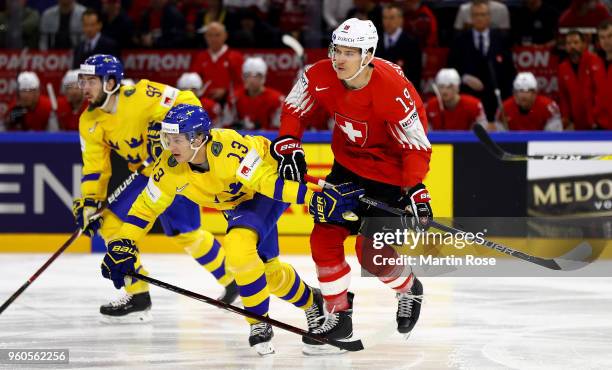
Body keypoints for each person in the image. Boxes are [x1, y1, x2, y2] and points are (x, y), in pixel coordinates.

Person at [100, 104, 363, 355]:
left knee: (238, 246)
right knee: (266, 271)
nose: (170, 146)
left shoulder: (228, 150)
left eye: (177, 139)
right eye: (167, 139)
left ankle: (258, 322)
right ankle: (313, 302)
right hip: (240, 203)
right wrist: (122, 243)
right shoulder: (169, 167)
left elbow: (267, 183)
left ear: (198, 139)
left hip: (267, 185)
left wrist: (310, 197)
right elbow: (146, 207)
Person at [275, 18, 430, 354]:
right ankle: (338, 314)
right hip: (346, 168)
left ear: (369, 54)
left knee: (370, 254)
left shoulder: (393, 90)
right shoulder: (321, 74)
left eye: (350, 52)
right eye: (337, 50)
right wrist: (288, 142)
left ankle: (408, 288)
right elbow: (294, 107)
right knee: (323, 238)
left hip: (389, 175)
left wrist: (414, 189)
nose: (339, 59)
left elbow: (415, 147)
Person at [74, 54, 238, 323]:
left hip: (174, 169)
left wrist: (163, 128)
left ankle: (233, 280)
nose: (85, 87)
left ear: (111, 82)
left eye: (92, 80)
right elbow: (94, 167)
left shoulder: (143, 93)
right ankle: (137, 294)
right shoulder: (88, 121)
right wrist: (90, 202)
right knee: (108, 222)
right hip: (143, 173)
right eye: (83, 81)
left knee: (186, 233)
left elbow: (189, 102)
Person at [448, 0, 516, 121]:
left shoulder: (501, 39)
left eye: (483, 14)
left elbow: (509, 71)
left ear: (489, 17)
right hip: (468, 97)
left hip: (495, 98)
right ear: (471, 18)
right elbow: (451, 66)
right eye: (476, 15)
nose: (479, 18)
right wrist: (464, 77)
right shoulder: (460, 40)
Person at [557, 29, 606, 129]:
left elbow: (600, 92)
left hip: (597, 121)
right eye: (569, 43)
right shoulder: (562, 68)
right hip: (578, 122)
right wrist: (566, 117)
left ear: (583, 44)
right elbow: (564, 96)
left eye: (576, 42)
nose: (572, 46)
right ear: (565, 47)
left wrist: (596, 118)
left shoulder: (594, 61)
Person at [190, 22, 244, 103]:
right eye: (210, 35)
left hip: (228, 103)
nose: (213, 39)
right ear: (205, 37)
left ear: (225, 36)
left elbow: (242, 84)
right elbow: (192, 83)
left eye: (217, 35)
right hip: (204, 103)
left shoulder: (236, 57)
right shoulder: (200, 57)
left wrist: (226, 91)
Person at [376, 4, 422, 90]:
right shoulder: (375, 41)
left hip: (402, 90)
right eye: (385, 18)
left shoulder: (411, 43)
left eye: (392, 18)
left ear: (401, 20)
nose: (387, 22)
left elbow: (415, 74)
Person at [231, 57, 284, 130]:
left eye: (257, 76)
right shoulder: (235, 98)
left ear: (263, 77)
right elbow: (226, 125)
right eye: (248, 75)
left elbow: (280, 128)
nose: (252, 80)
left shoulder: (277, 99)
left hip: (268, 140)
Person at [497, 72, 562, 131]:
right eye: (520, 91)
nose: (523, 95)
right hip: (513, 142)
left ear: (535, 93)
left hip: (541, 142)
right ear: (514, 93)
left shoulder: (548, 106)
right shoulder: (504, 108)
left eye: (527, 91)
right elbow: (499, 135)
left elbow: (554, 135)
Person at [595, 18, 612, 129]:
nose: (606, 41)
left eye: (610, 36)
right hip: (601, 125)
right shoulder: (595, 63)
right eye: (602, 37)